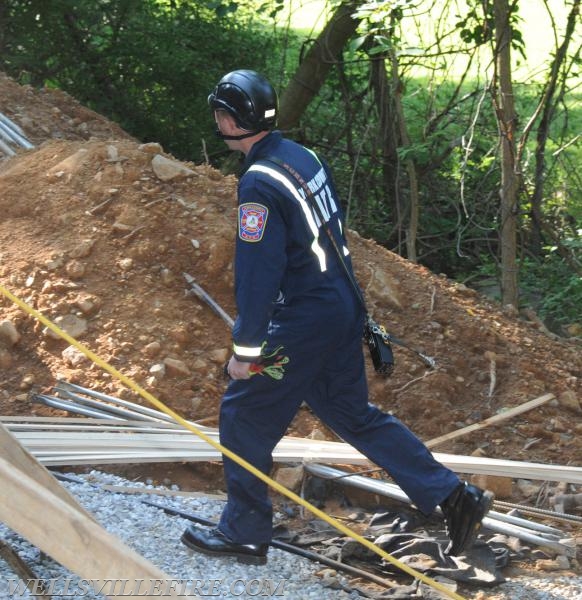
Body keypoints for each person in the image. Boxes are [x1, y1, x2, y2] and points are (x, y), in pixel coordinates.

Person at [180, 69, 493, 565]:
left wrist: (246, 352)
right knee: (352, 415)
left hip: (303, 321)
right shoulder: (301, 157)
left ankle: (244, 531)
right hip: (340, 307)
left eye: (219, 111)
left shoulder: (258, 184)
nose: (216, 118)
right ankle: (453, 496)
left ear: (230, 119)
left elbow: (258, 274)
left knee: (243, 414)